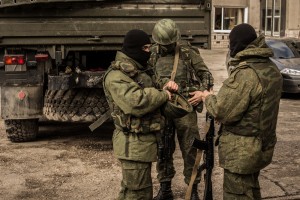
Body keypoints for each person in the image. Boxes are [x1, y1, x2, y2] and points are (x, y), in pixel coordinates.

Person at [201, 23, 283, 200]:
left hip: (242, 152)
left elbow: (221, 110)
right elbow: (256, 108)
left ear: (237, 45)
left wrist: (206, 96)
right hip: (261, 146)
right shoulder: (271, 68)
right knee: (251, 190)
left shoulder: (245, 74)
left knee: (237, 193)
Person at [103, 29, 178, 200]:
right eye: (145, 48)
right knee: (139, 193)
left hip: (140, 144)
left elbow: (149, 88)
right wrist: (163, 95)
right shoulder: (117, 75)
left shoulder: (138, 70)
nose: (149, 52)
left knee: (132, 191)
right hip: (132, 144)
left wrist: (165, 87)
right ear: (133, 48)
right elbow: (135, 102)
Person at [149, 18, 214, 200]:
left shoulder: (187, 51)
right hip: (162, 107)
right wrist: (160, 87)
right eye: (164, 44)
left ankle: (192, 188)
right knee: (163, 148)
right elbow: (145, 77)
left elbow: (205, 74)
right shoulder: (152, 53)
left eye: (170, 43)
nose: (167, 47)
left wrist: (202, 92)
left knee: (190, 148)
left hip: (185, 107)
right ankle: (165, 188)